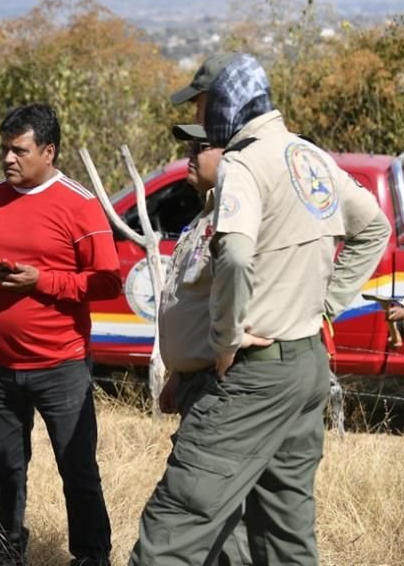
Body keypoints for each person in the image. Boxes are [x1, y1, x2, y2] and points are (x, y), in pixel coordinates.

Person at [130, 53, 390, 566]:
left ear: (226, 103)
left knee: (173, 526)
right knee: (282, 533)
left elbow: (238, 254)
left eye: (203, 105)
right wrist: (324, 307)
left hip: (253, 375)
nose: (200, 119)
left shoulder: (244, 164)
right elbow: (374, 228)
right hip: (304, 364)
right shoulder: (308, 156)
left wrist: (224, 341)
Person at [0, 103, 122, 566]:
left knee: (78, 469)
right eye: (4, 149)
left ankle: (91, 555)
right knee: (5, 467)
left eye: (19, 150)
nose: (8, 159)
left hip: (62, 365)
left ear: (48, 151)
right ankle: (7, 551)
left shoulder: (79, 204)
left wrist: (41, 281)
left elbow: (108, 281)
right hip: (1, 365)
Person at [149, 122, 252, 566]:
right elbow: (195, 301)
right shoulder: (204, 214)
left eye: (201, 146)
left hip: (221, 381)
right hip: (195, 380)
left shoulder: (238, 216)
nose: (190, 154)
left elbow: (240, 295)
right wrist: (178, 372)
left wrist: (221, 359)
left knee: (209, 504)